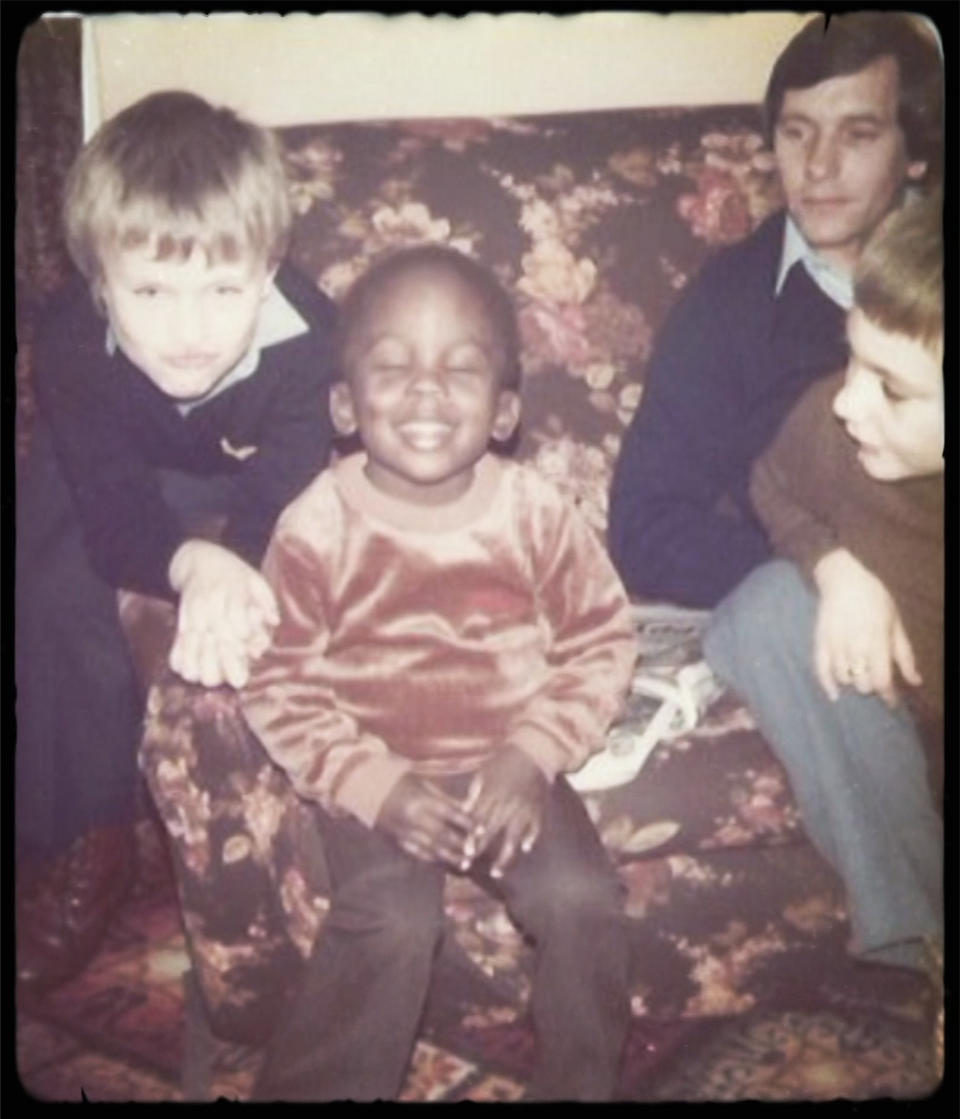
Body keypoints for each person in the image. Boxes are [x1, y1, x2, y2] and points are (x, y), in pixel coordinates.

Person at [238, 244, 638, 1101]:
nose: (427, 391)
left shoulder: (534, 511)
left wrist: (531, 754)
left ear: (504, 411)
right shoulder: (314, 526)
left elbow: (601, 638)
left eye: (462, 370)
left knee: (581, 897)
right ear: (345, 404)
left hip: (506, 764)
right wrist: (378, 786)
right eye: (393, 368)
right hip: (377, 768)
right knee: (392, 913)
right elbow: (277, 680)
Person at [15, 90, 338, 993]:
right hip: (110, 459)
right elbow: (111, 500)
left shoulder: (314, 344)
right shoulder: (72, 337)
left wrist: (231, 558)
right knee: (46, 579)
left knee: (291, 568)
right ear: (98, 279)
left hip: (244, 478)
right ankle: (85, 835)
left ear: (269, 270)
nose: (188, 330)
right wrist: (181, 560)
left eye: (222, 291)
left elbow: (285, 487)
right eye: (150, 291)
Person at [608, 11, 942, 608]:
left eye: (858, 134)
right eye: (797, 132)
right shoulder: (727, 308)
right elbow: (647, 523)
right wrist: (820, 575)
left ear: (915, 155)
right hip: (834, 612)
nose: (818, 166)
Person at [703, 195, 943, 978]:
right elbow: (773, 483)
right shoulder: (828, 423)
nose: (848, 401)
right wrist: (841, 573)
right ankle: (920, 933)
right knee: (764, 607)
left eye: (893, 389)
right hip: (883, 707)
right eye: (854, 359)